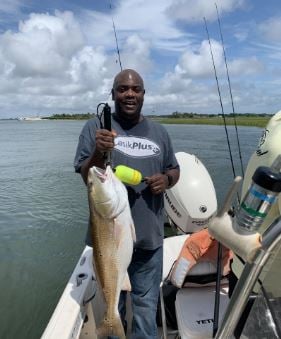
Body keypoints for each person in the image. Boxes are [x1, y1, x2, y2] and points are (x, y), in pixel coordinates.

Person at [74, 69, 180, 338]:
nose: (129, 94)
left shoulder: (159, 132)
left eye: (136, 89)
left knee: (146, 311)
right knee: (114, 305)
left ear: (143, 94)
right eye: (122, 89)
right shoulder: (95, 128)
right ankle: (111, 326)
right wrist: (100, 151)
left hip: (149, 239)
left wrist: (166, 180)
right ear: (112, 94)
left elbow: (174, 169)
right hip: (108, 242)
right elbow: (87, 175)